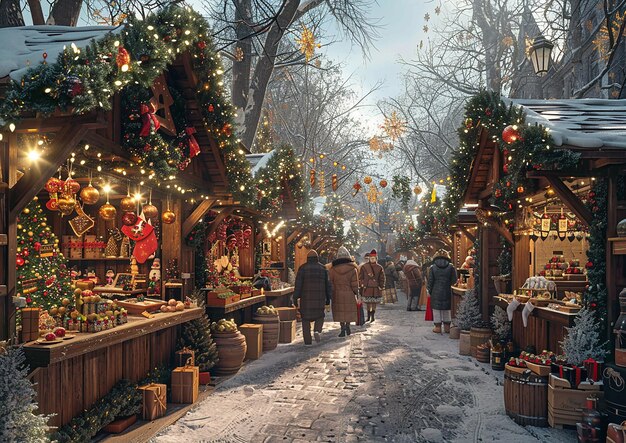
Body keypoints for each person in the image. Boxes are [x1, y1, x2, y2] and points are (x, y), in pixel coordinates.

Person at [293, 249, 332, 345]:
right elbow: (328, 285)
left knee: (305, 319)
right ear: (317, 258)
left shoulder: (302, 268)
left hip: (306, 299)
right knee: (320, 316)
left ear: (307, 258)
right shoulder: (323, 269)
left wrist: (295, 297)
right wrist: (328, 298)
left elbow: (298, 285)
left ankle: (307, 341)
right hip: (319, 298)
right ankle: (317, 331)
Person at [329, 246, 359, 337]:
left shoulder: (333, 269)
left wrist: (332, 293)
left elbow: (331, 283)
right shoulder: (353, 269)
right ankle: (348, 326)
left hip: (337, 294)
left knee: (340, 311)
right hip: (349, 293)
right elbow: (355, 284)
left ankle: (342, 328)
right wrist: (356, 292)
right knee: (348, 310)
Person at [427, 249, 457, 334]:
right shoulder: (451, 267)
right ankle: (447, 327)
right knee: (447, 309)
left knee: (436, 309)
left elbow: (430, 281)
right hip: (447, 290)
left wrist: (429, 290)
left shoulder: (433, 267)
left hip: (435, 291)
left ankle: (437, 327)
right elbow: (454, 280)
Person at [359, 249, 385, 322]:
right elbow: (361, 277)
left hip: (376, 288)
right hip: (367, 287)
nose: (372, 259)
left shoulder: (379, 267)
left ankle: (372, 316)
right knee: (368, 303)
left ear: (376, 258)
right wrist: (363, 284)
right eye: (371, 258)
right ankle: (368, 316)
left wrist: (381, 286)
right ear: (369, 258)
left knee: (373, 303)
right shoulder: (364, 267)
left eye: (373, 258)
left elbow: (382, 278)